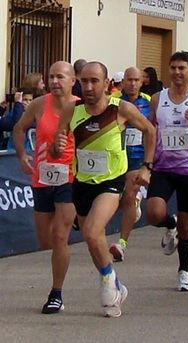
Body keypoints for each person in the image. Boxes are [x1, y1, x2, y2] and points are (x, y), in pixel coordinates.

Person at [53, 61, 156, 317]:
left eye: (94, 81)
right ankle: (116, 283)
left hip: (112, 181)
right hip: (82, 183)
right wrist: (58, 144)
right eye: (84, 81)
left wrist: (147, 167)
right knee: (93, 241)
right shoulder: (71, 110)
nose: (88, 87)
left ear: (107, 83)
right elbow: (58, 146)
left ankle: (109, 285)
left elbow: (150, 131)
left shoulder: (121, 109)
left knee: (91, 231)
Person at [12, 61, 77, 314]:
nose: (54, 82)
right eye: (51, 77)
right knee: (45, 240)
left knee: (60, 236)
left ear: (73, 80)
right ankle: (77, 218)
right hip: (42, 178)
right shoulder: (40, 104)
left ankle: (56, 293)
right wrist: (21, 156)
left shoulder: (82, 106)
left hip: (70, 178)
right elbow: (19, 128)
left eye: (60, 77)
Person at [146, 51, 188, 291]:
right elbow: (151, 130)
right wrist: (147, 163)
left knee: (187, 226)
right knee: (153, 212)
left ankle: (184, 271)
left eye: (182, 68)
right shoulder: (157, 98)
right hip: (163, 166)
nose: (177, 72)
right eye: (173, 67)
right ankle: (168, 224)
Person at [108, 67, 153, 261]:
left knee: (129, 195)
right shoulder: (114, 100)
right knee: (116, 199)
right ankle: (133, 206)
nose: (133, 83)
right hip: (116, 156)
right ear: (123, 82)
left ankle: (122, 243)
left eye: (136, 80)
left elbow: (153, 129)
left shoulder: (149, 102)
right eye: (129, 80)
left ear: (142, 82)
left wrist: (148, 162)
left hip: (137, 157)